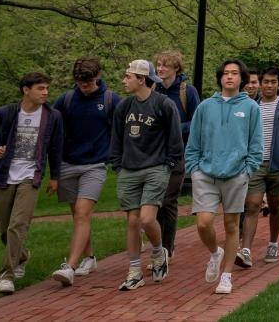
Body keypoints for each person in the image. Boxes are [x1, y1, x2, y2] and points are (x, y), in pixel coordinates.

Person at [184, 59, 263, 295]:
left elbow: (256, 145)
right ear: (220, 77)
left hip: (236, 175)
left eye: (234, 73)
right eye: (226, 73)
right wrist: (194, 169)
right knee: (204, 222)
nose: (229, 77)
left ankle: (226, 276)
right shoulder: (206, 106)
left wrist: (247, 170)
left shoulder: (250, 108)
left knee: (231, 226)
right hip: (205, 174)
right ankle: (215, 253)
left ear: (242, 78)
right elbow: (193, 142)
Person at [0, 71, 64, 296]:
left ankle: (7, 275)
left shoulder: (52, 116)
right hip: (5, 174)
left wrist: (55, 177)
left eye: (47, 88)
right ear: (26, 90)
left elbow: (56, 148)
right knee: (3, 226)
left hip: (31, 175)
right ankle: (22, 255)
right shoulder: (6, 113)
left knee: (18, 225)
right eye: (40, 88)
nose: (46, 92)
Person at [107, 60, 181, 291]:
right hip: (129, 169)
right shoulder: (124, 106)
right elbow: (116, 138)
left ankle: (159, 252)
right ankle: (134, 270)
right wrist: (118, 165)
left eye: (128, 76)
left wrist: (167, 165)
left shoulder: (164, 104)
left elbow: (175, 140)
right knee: (132, 221)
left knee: (147, 219)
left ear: (141, 79)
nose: (124, 80)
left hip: (156, 168)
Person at [51, 58, 119, 287]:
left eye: (89, 82)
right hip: (68, 163)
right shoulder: (66, 100)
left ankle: (69, 266)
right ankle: (89, 258)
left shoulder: (111, 100)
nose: (85, 86)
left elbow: (121, 130)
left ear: (98, 75)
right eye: (80, 82)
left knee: (82, 213)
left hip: (96, 164)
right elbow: (52, 128)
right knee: (79, 216)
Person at [236, 66, 279, 268]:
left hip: (277, 164)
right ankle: (245, 250)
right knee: (252, 205)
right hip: (254, 163)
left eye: (273, 82)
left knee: (274, 206)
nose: (269, 85)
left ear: (278, 84)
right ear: (260, 83)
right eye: (266, 82)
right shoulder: (249, 105)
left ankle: (273, 243)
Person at [153, 50, 199, 263]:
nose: (160, 69)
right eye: (158, 65)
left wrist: (175, 127)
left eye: (165, 66)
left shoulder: (186, 91)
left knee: (168, 200)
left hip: (177, 153)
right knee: (154, 202)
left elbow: (197, 121)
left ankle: (167, 248)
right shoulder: (153, 89)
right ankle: (158, 243)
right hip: (153, 154)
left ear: (176, 69)